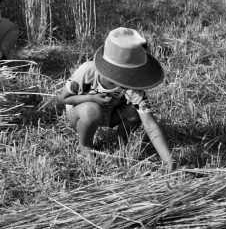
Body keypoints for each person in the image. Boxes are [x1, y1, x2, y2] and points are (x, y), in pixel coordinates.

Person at [58, 27, 174, 170]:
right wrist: (92, 98)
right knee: (91, 110)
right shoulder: (87, 71)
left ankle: (118, 142)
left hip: (111, 113)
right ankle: (85, 146)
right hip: (81, 112)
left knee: (134, 112)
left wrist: (168, 160)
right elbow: (64, 98)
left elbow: (150, 125)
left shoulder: (133, 88)